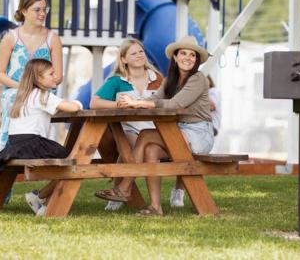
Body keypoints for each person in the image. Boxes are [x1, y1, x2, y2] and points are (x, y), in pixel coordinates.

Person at [94, 35, 214, 216]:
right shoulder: (170, 80)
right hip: (180, 132)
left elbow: (175, 104)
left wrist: (138, 103)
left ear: (196, 60)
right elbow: (155, 99)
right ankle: (155, 207)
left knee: (145, 135)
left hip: (199, 133)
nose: (187, 58)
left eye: (192, 55)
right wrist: (134, 102)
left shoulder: (198, 78)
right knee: (150, 149)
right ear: (175, 57)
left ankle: (124, 187)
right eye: (183, 54)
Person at [0, 59, 82, 215]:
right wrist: (78, 103)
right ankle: (43, 199)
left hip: (15, 145)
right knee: (73, 160)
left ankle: (40, 198)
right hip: (32, 143)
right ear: (39, 78)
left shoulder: (24, 95)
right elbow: (72, 108)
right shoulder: (42, 95)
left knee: (69, 159)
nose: (56, 76)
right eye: (51, 74)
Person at [89, 38, 163, 211]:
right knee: (133, 146)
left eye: (141, 52)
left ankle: (122, 190)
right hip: (129, 129)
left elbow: (168, 101)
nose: (139, 55)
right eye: (133, 53)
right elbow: (94, 102)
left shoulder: (158, 79)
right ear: (123, 59)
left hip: (156, 129)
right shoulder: (117, 81)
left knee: (139, 148)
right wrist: (118, 105)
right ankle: (123, 192)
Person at [0, 0, 63, 155]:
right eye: (37, 9)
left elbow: (58, 76)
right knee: (12, 98)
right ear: (24, 11)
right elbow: (0, 74)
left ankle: (36, 150)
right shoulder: (10, 38)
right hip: (16, 90)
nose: (42, 14)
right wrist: (23, 87)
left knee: (38, 100)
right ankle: (5, 150)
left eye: (45, 9)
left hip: (44, 90)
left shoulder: (53, 38)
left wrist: (37, 89)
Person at [169, 74, 221, 208]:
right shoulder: (179, 86)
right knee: (179, 151)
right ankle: (174, 193)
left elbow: (212, 106)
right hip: (185, 127)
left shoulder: (210, 91)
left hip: (204, 130)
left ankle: (179, 192)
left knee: (182, 150)